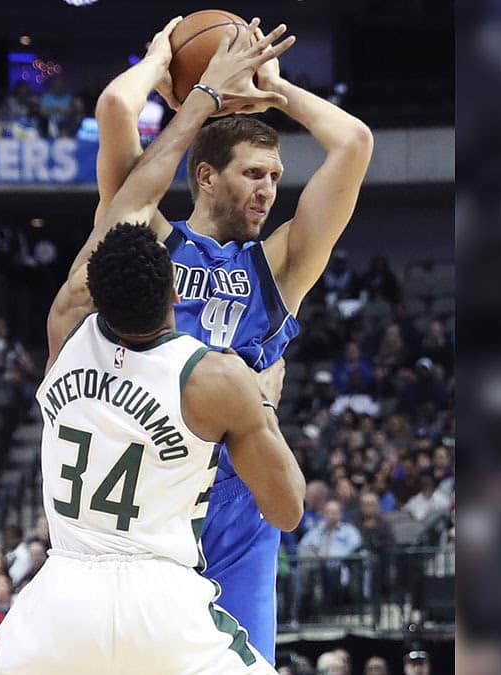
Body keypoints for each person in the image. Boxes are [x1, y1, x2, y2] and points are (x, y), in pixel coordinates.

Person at [0, 22, 300, 675]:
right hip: (162, 600)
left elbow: (128, 193)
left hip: (61, 594)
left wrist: (185, 83)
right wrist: (260, 406)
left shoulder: (65, 324)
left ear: (95, 283)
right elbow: (287, 506)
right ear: (173, 289)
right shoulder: (212, 377)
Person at [93, 15, 373, 663]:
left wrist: (275, 90)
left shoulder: (280, 265)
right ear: (205, 176)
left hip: (240, 525)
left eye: (275, 177)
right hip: (152, 517)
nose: (269, 190)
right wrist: (165, 63)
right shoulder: (151, 245)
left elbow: (353, 142)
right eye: (254, 174)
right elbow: (114, 110)